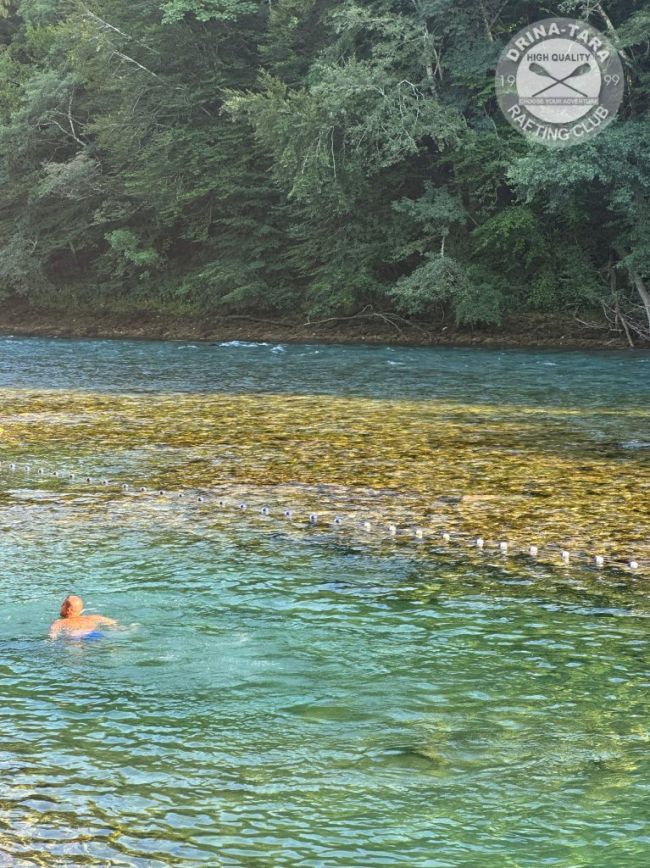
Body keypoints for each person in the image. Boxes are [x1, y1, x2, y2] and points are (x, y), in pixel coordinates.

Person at [49, 594, 117, 640]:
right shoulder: (93, 618)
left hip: (76, 637)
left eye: (63, 604)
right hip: (95, 635)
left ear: (68, 610)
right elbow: (113, 622)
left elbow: (52, 636)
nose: (61, 606)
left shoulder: (60, 622)